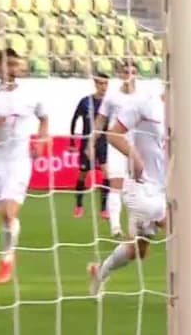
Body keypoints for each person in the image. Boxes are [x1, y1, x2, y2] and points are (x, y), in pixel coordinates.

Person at [0, 49, 49, 286]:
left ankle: (7, 257)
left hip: (18, 161)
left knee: (8, 212)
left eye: (16, 64)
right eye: (8, 64)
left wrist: (42, 140)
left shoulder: (32, 94)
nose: (12, 69)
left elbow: (44, 119)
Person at [86, 87, 167, 293]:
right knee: (186, 235)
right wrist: (135, 158)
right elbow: (113, 134)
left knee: (137, 252)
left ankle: (100, 271)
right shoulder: (147, 103)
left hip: (168, 188)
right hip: (143, 187)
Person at [94, 61, 139, 238]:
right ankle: (115, 227)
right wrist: (92, 142)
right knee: (116, 185)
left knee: (136, 187)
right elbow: (101, 120)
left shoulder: (143, 97)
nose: (129, 74)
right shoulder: (112, 97)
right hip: (115, 144)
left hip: (136, 146)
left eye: (133, 71)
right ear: (120, 75)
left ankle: (134, 227)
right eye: (126, 71)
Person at [70, 73, 111, 219]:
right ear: (95, 84)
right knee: (83, 174)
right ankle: (79, 206)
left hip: (103, 142)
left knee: (106, 173)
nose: (103, 87)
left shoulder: (109, 103)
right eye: (101, 83)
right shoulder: (86, 102)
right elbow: (74, 119)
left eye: (106, 84)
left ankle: (104, 209)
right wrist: (72, 142)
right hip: (87, 142)